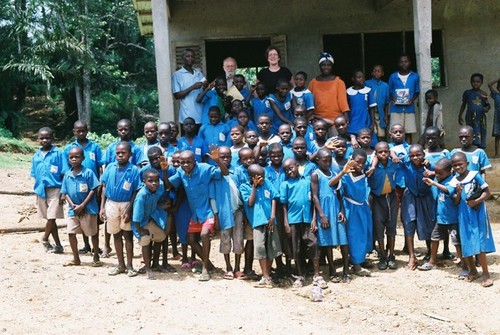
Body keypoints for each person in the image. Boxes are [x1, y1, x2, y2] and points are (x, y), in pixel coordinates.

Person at [164, 149, 229, 281]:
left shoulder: (204, 169)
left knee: (204, 234)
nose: (186, 165)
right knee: (190, 239)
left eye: (189, 162)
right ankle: (209, 264)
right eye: (182, 162)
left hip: (207, 211)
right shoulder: (181, 172)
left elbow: (224, 172)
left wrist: (217, 160)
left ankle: (205, 268)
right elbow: (168, 185)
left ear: (195, 161)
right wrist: (164, 170)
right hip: (195, 215)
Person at [448, 152, 495, 287]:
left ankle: (486, 273)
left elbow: (487, 192)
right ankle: (473, 270)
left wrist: (476, 201)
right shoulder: (454, 180)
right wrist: (457, 192)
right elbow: (456, 202)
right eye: (455, 165)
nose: (458, 167)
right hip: (464, 214)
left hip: (477, 212)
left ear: (467, 164)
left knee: (479, 242)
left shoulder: (475, 175)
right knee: (466, 241)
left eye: (460, 164)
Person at [280, 158, 327, 289]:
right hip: (293, 220)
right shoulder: (286, 184)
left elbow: (312, 202)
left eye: (291, 168)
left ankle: (317, 274)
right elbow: (284, 205)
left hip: (307, 219)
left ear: (297, 166)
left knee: (313, 244)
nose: (289, 171)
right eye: (286, 170)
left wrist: (314, 219)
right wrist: (286, 223)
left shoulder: (307, 182)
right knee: (296, 248)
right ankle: (300, 275)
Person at [100, 141, 141, 277]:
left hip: (126, 204)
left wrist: (129, 209)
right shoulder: (110, 167)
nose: (120, 155)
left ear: (130, 154)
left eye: (123, 153)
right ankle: (120, 265)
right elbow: (104, 187)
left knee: (127, 235)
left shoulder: (134, 170)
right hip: (111, 204)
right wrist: (102, 207)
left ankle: (130, 266)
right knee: (116, 235)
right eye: (118, 153)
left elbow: (135, 190)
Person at [329, 150, 373, 277]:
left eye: (363, 163)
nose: (360, 165)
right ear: (351, 160)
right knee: (354, 236)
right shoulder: (346, 175)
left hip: (362, 208)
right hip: (350, 209)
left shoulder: (364, 174)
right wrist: (343, 173)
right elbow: (332, 185)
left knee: (363, 233)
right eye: (357, 162)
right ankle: (356, 265)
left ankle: (359, 259)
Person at [64, 120, 104, 254]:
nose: (81, 133)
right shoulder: (69, 148)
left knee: (93, 218)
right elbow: (66, 170)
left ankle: (95, 247)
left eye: (83, 130)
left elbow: (100, 167)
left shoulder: (95, 147)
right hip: (75, 187)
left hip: (93, 187)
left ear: (87, 131)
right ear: (74, 132)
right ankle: (86, 245)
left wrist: (100, 186)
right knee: (79, 218)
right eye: (78, 130)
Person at [240, 164, 282, 288]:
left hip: (270, 221)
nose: (262, 179)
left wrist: (273, 216)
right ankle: (265, 276)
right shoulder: (245, 187)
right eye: (258, 177)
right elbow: (250, 202)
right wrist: (254, 186)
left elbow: (274, 198)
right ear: (251, 177)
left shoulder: (267, 183)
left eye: (263, 176)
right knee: (260, 248)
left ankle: (267, 275)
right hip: (257, 223)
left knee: (271, 248)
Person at [420, 158, 465, 273]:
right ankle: (432, 261)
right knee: (434, 238)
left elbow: (447, 190)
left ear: (449, 171)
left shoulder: (452, 181)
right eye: (436, 173)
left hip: (452, 219)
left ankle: (464, 263)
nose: (437, 175)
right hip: (441, 218)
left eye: (440, 173)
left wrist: (434, 183)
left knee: (456, 242)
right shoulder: (440, 178)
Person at [311, 148, 349, 282]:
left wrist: (342, 210)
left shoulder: (335, 173)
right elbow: (315, 197)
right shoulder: (316, 175)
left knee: (343, 239)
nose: (327, 163)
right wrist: (321, 215)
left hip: (336, 208)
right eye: (324, 160)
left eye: (329, 160)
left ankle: (346, 269)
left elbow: (340, 195)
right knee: (327, 241)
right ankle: (332, 269)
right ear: (318, 160)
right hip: (324, 210)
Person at [395, 144, 435, 270]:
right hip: (410, 196)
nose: (415, 157)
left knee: (428, 224)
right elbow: (392, 154)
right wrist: (395, 157)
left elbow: (441, 172)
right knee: (409, 224)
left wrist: (431, 171)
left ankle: (430, 252)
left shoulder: (429, 165)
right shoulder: (406, 164)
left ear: (424, 155)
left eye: (418, 155)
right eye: (412, 155)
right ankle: (412, 256)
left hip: (426, 197)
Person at [61, 147, 101, 267]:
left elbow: (94, 189)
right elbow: (65, 192)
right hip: (73, 210)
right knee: (71, 233)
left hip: (88, 209)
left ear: (83, 158)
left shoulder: (88, 173)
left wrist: (83, 205)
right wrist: (73, 205)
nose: (74, 159)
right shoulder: (67, 175)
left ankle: (96, 256)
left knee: (92, 232)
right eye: (71, 157)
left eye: (77, 156)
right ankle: (76, 258)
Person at [209, 146, 244, 281]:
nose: (224, 159)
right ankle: (228, 267)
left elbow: (242, 190)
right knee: (225, 240)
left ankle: (237, 268)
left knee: (238, 239)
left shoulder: (238, 171)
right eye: (221, 157)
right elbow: (212, 197)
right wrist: (216, 215)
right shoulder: (215, 173)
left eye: (227, 157)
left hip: (238, 210)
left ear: (231, 157)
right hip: (223, 212)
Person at [31, 127, 67, 253]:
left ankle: (45, 238)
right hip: (41, 190)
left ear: (53, 139)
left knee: (52, 217)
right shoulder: (36, 156)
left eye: (47, 138)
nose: (45, 140)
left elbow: (65, 173)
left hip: (55, 190)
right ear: (38, 139)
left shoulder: (59, 154)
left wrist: (63, 193)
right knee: (49, 219)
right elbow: (34, 174)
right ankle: (58, 245)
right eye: (42, 138)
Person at [132, 169, 168, 280]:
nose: (154, 183)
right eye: (150, 181)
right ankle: (148, 268)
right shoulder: (141, 196)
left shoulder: (158, 188)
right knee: (145, 241)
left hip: (152, 218)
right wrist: (140, 230)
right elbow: (136, 217)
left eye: (156, 181)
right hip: (141, 223)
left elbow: (164, 184)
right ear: (144, 181)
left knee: (160, 237)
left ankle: (155, 263)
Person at [368, 142, 398, 270]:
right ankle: (382, 256)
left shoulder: (394, 163)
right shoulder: (371, 166)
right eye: (380, 152)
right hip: (377, 199)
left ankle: (391, 255)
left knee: (391, 227)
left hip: (391, 197)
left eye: (386, 151)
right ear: (376, 154)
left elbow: (402, 158)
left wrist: (393, 154)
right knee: (379, 227)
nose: (384, 154)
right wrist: (373, 166)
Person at [308, 52, 349, 126]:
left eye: (328, 65)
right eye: (323, 65)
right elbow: (309, 103)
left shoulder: (339, 82)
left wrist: (345, 119)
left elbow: (343, 103)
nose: (326, 67)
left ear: (332, 66)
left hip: (335, 121)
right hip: (318, 122)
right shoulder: (313, 83)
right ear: (319, 66)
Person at [172, 48, 207, 128]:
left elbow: (206, 89)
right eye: (188, 56)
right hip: (187, 116)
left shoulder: (199, 73)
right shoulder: (177, 75)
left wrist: (205, 86)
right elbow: (177, 95)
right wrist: (192, 87)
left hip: (201, 115)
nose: (190, 58)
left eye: (192, 56)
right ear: (183, 58)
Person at [388, 55, 420, 143]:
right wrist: (393, 99)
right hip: (396, 109)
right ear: (398, 64)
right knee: (395, 132)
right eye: (401, 62)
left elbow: (417, 92)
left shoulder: (414, 76)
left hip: (409, 109)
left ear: (409, 63)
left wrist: (412, 100)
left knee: (408, 132)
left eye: (406, 61)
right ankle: (396, 150)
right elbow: (390, 92)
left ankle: (408, 152)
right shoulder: (393, 76)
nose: (403, 64)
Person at [459, 73, 490, 149]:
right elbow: (463, 105)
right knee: (470, 132)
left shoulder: (484, 94)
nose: (475, 83)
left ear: (481, 82)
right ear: (470, 82)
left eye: (478, 82)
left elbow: (487, 105)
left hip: (481, 118)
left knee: (481, 132)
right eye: (473, 81)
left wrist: (487, 109)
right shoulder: (467, 93)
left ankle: (480, 150)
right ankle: (470, 149)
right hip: (470, 117)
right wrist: (459, 115)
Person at [347, 70, 377, 147]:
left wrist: (373, 123)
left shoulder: (368, 91)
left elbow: (371, 108)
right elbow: (346, 108)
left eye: (362, 77)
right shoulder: (348, 92)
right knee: (354, 141)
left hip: (365, 119)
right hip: (353, 118)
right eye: (359, 77)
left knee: (368, 139)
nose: (362, 79)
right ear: (353, 79)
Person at [365, 64, 390, 140]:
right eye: (374, 71)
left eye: (379, 71)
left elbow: (387, 102)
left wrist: (386, 116)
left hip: (380, 114)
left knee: (381, 134)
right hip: (369, 113)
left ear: (382, 73)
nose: (376, 73)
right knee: (370, 132)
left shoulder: (385, 86)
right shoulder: (367, 83)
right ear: (372, 73)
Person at [487, 77, 500, 157]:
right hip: (498, 118)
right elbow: (489, 84)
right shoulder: (496, 95)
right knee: (497, 136)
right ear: (498, 88)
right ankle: (497, 153)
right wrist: (498, 79)